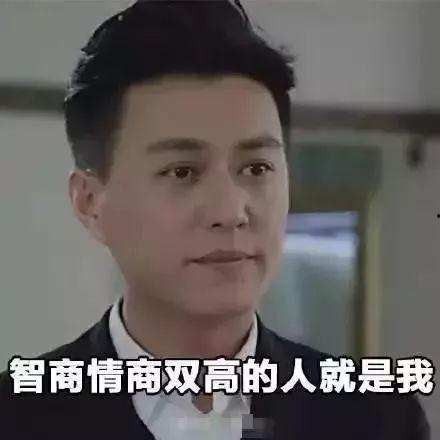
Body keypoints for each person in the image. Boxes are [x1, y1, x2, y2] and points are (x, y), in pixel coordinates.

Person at [0, 1, 430, 439]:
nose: (230, 211)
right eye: (182, 172)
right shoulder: (16, 418)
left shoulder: (376, 418)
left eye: (256, 168)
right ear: (90, 202)